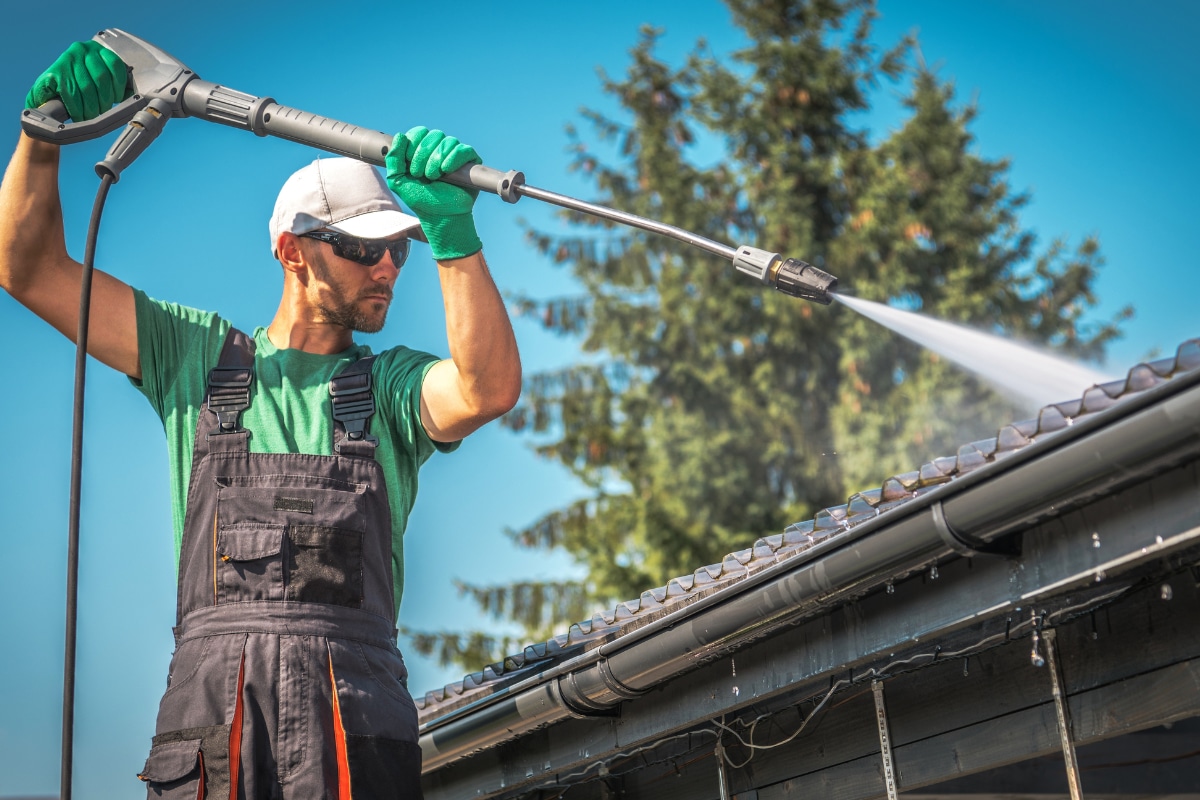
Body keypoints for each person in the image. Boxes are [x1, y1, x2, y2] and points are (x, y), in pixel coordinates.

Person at [2, 40, 521, 798]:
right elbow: (29, 270)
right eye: (361, 248)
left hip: (353, 715)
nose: (386, 268)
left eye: (398, 252)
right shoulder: (193, 356)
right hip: (218, 716)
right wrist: (41, 138)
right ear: (291, 250)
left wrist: (454, 240)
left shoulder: (390, 388)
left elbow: (485, 390)